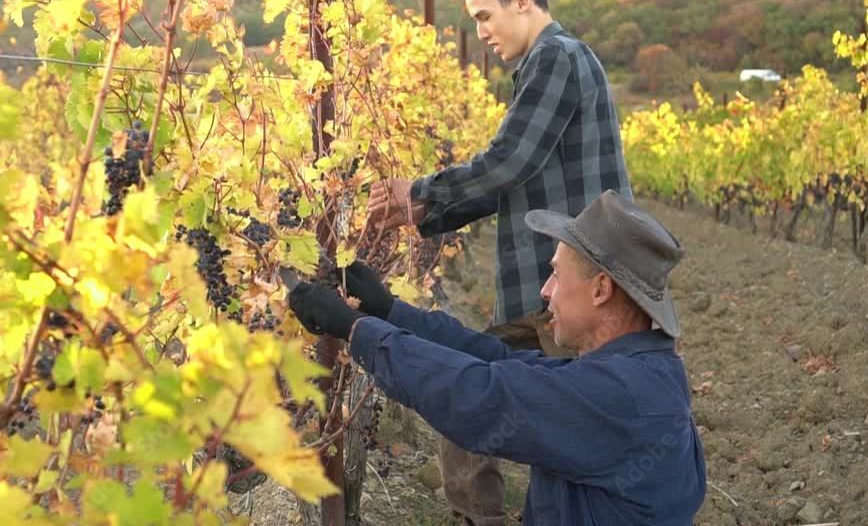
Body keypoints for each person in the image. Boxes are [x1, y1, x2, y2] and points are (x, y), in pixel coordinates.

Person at [365, 0, 632, 520]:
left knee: (568, 430)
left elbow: (510, 161)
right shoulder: (544, 65)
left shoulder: (556, 58)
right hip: (544, 288)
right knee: (464, 397)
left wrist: (418, 188)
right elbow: (515, 183)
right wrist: (420, 211)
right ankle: (479, 516)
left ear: (520, 1)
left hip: (577, 289)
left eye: (484, 16)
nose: (481, 32)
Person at [287, 190, 706, 525]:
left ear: (600, 290)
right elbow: (500, 361)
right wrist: (390, 312)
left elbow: (482, 395)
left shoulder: (622, 398)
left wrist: (357, 331)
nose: (545, 291)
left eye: (557, 274)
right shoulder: (635, 375)